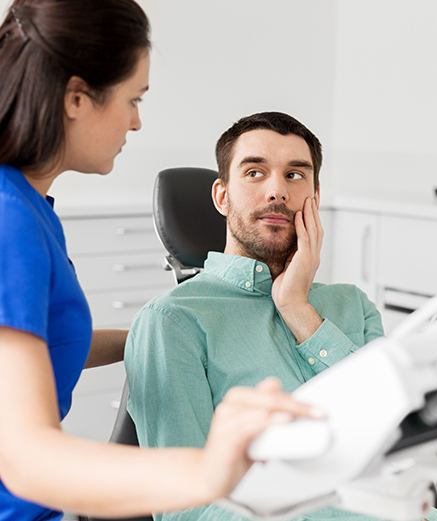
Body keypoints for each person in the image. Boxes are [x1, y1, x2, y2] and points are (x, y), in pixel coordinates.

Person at [0, 4, 317, 521]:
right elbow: (25, 459)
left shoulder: (31, 210)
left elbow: (30, 349)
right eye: (133, 99)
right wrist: (207, 470)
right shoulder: (9, 221)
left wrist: (164, 331)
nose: (137, 121)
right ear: (77, 98)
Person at [125, 112, 387, 521]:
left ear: (315, 197)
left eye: (295, 175)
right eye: (255, 172)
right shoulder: (172, 322)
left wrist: (299, 310)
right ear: (222, 196)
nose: (277, 191)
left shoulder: (353, 306)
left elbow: (395, 436)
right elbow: (185, 510)